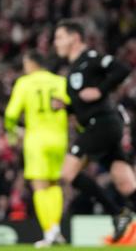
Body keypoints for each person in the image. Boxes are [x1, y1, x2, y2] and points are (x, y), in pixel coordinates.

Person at [53, 19, 136, 242]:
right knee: (126, 184)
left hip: (101, 124)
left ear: (74, 38)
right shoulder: (73, 69)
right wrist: (66, 107)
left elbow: (122, 69)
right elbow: (83, 102)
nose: (55, 43)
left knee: (67, 173)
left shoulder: (90, 58)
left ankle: (117, 214)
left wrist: (101, 89)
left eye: (59, 37)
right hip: (103, 126)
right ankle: (121, 213)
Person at [4, 51, 68, 247]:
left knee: (39, 186)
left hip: (36, 139)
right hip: (59, 138)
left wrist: (12, 132)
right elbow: (70, 107)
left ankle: (49, 232)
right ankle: (56, 229)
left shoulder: (25, 83)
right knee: (54, 184)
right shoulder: (60, 82)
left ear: (31, 64)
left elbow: (11, 113)